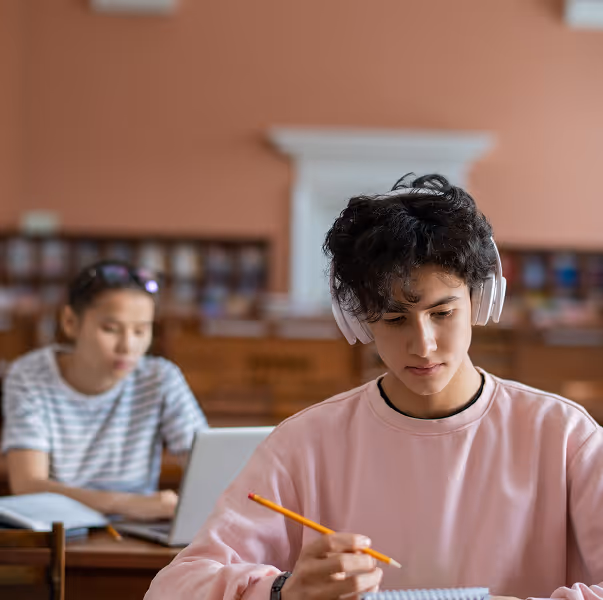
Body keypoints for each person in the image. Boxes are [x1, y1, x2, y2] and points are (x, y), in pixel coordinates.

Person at [145, 174, 603, 600]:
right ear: (358, 321)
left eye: (443, 314)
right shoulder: (305, 443)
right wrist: (282, 591)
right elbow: (173, 587)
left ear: (480, 300)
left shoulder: (565, 436)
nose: (423, 345)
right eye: (394, 319)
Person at [2, 260, 208, 521]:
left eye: (141, 330)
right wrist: (127, 503)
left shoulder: (160, 378)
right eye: (110, 329)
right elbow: (28, 485)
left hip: (138, 530)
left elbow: (205, 465)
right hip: (61, 531)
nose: (128, 346)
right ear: (69, 322)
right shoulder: (29, 376)